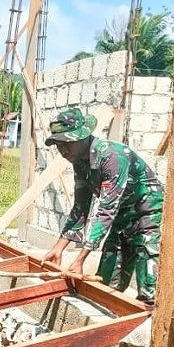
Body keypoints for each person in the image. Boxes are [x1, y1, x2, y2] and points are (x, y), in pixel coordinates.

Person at [42, 107, 165, 305]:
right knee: (108, 278)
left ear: (83, 137)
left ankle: (147, 314)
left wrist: (80, 259)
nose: (63, 150)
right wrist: (59, 247)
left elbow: (106, 209)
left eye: (68, 143)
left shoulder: (112, 157)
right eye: (58, 144)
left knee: (146, 265)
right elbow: (81, 206)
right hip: (120, 211)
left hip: (145, 208)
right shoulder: (80, 161)